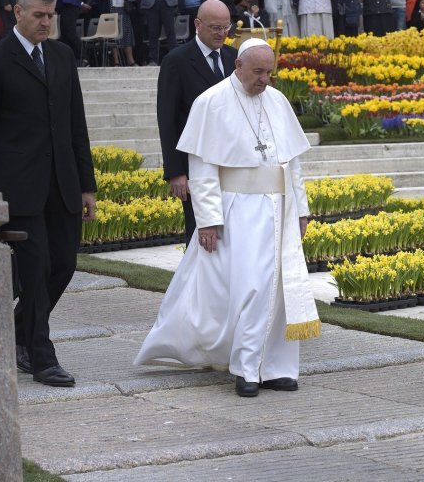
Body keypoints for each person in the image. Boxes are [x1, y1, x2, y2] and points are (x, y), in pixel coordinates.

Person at [136, 38, 320, 398]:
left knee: (280, 289)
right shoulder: (212, 102)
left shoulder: (278, 101)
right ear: (238, 66)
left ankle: (277, 368)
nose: (265, 80)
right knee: (251, 287)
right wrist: (207, 220)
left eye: (269, 72)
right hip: (239, 210)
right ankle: (247, 368)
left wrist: (301, 209)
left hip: (279, 208)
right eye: (258, 72)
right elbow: (202, 169)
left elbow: (293, 165)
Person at [0, 0, 97, 387]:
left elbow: (76, 126)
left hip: (62, 184)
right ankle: (41, 357)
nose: (46, 22)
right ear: (18, 13)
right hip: (18, 189)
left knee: (64, 264)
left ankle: (19, 329)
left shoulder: (61, 55)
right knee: (36, 268)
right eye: (39, 15)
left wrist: (86, 186)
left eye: (50, 15)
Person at [156, 0, 239, 245]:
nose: (221, 33)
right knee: (201, 234)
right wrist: (176, 172)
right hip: (195, 166)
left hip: (231, 163)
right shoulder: (177, 61)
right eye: (215, 27)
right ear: (197, 25)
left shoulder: (234, 58)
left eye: (226, 27)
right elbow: (167, 120)